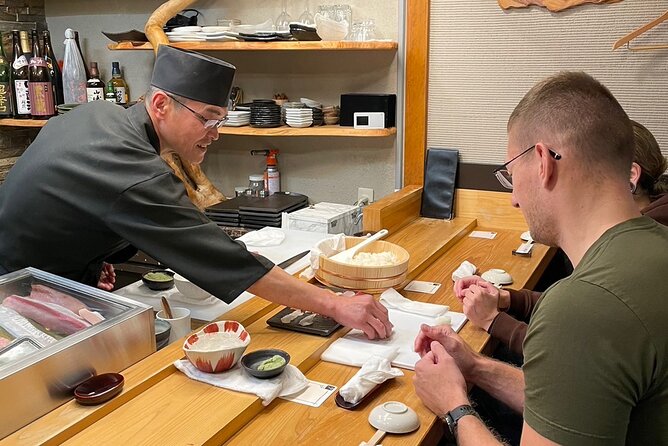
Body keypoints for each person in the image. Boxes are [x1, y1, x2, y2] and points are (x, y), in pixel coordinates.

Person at [0, 45, 392, 340]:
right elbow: (219, 257)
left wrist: (91, 251)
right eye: (207, 119)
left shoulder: (98, 114)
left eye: (220, 120)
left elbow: (68, 203)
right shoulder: (133, 166)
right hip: (18, 293)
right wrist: (335, 304)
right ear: (160, 104)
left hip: (47, 274)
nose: (215, 134)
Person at [413, 71, 668, 445]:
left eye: (511, 175)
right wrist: (476, 367)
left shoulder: (582, 307)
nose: (514, 199)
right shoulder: (655, 245)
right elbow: (577, 404)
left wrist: (453, 406)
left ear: (543, 161)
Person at [455, 119, 668, 359]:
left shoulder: (635, 252)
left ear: (630, 176)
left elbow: (570, 352)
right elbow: (581, 310)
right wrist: (509, 298)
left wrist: (492, 321)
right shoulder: (640, 230)